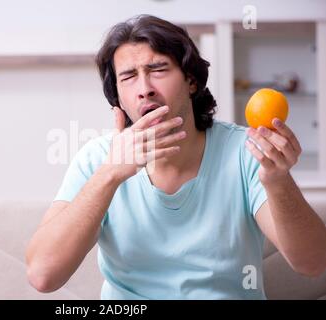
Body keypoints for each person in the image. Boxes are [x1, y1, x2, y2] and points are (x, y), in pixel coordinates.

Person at [26, 15, 326, 299]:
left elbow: (313, 264)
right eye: (129, 76)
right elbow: (43, 275)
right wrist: (110, 174)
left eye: (158, 69)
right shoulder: (97, 159)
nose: (144, 89)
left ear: (191, 81)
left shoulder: (244, 151)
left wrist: (278, 181)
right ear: (117, 97)